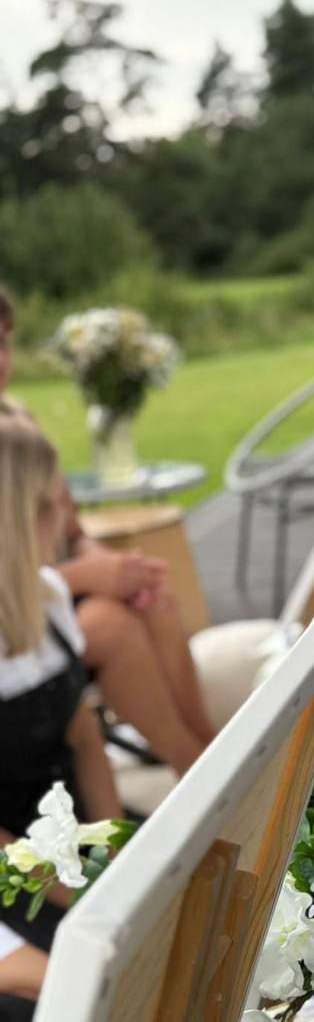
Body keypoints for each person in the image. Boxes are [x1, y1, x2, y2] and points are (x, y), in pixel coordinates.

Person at [0, 291, 214, 774]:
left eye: (4, 343)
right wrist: (87, 576)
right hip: (15, 625)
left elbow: (72, 529)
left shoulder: (21, 423)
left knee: (153, 600)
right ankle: (193, 767)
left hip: (55, 597)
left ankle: (213, 745)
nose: (1, 361)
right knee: (110, 624)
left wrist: (113, 568)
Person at [0, 409, 124, 950]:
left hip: (73, 834)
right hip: (16, 877)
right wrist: (79, 897)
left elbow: (85, 740)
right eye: (55, 501)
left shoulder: (48, 597)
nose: (66, 513)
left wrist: (115, 856)